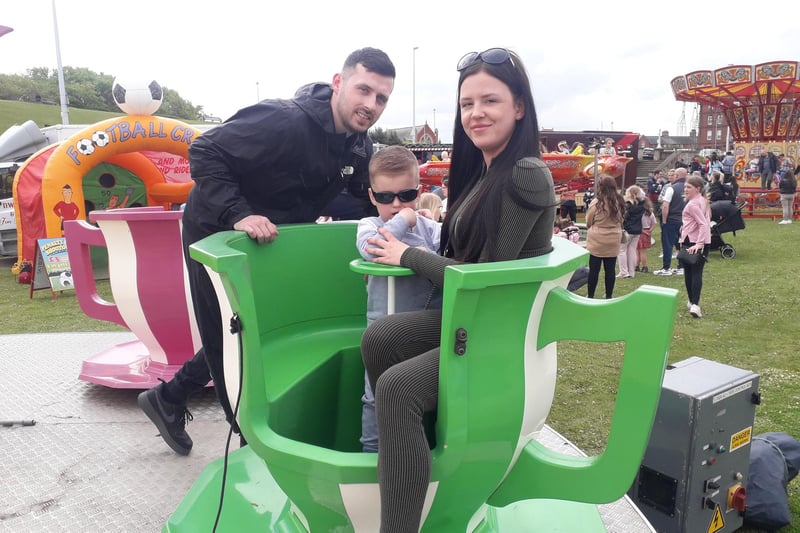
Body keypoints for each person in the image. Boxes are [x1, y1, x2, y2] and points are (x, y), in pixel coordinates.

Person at [136, 47, 396, 455]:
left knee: (256, 329)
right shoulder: (283, 120)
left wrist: (383, 236)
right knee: (228, 334)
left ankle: (169, 397)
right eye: (364, 90)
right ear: (339, 82)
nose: (371, 104)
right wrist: (238, 213)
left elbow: (360, 201)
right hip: (219, 232)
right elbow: (205, 151)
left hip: (273, 238)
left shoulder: (358, 147)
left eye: (381, 98)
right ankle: (248, 442)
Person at [360, 47, 556, 531]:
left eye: (489, 100)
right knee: (377, 338)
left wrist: (408, 255)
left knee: (396, 388)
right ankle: (414, 458)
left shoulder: (525, 173)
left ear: (519, 107)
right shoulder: (485, 174)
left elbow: (483, 281)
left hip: (496, 331)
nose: (476, 113)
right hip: (475, 318)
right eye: (467, 104)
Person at [355, 146, 441, 453]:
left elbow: (452, 258)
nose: (395, 204)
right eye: (385, 197)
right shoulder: (370, 226)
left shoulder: (430, 229)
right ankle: (371, 455)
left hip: (424, 332)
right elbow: (373, 247)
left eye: (405, 195)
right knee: (375, 397)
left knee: (423, 399)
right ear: (371, 196)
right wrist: (404, 219)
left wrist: (423, 247)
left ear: (418, 192)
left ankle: (425, 454)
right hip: (382, 335)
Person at [585, 175, 625, 297]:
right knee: (610, 269)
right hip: (613, 237)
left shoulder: (597, 202)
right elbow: (622, 219)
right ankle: (609, 295)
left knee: (594, 270)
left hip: (597, 239)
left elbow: (588, 221)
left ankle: (590, 295)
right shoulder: (620, 202)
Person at [679, 175, 711, 318]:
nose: (685, 189)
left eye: (689, 187)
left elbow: (703, 223)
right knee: (693, 272)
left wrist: (698, 244)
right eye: (685, 187)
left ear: (698, 189)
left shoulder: (693, 204)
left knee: (692, 272)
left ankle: (694, 303)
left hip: (693, 241)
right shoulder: (702, 200)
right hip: (700, 240)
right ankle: (693, 301)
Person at [654, 167, 687, 276]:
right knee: (682, 244)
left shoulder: (671, 188)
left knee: (668, 244)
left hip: (672, 219)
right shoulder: (689, 188)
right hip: (685, 220)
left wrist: (664, 220)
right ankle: (682, 266)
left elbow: (665, 205)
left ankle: (666, 267)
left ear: (676, 176)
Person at [617, 185, 645, 279]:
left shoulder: (627, 205)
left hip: (627, 230)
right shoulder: (641, 205)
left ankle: (624, 272)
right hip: (637, 230)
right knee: (632, 250)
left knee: (621, 250)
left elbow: (623, 217)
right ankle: (631, 272)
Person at [636, 197, 657, 273]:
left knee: (639, 251)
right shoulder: (650, 213)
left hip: (640, 232)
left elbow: (637, 224)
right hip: (647, 231)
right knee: (642, 251)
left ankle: (643, 266)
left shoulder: (639, 213)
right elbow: (654, 223)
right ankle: (637, 266)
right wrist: (650, 231)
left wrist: (644, 231)